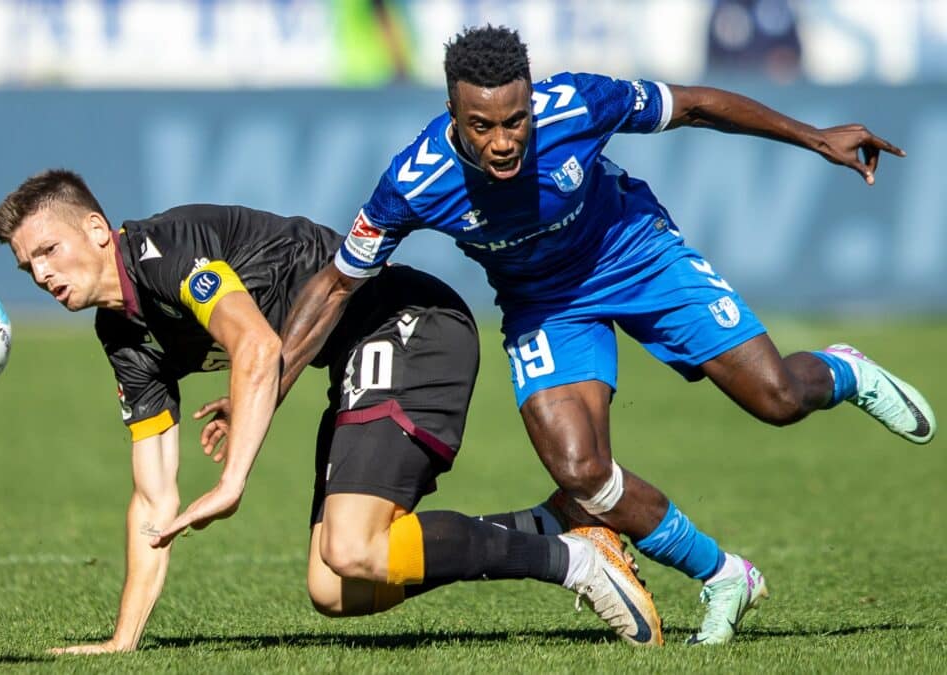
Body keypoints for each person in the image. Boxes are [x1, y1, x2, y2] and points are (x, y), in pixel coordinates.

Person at [274, 25, 937, 646]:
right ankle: (725, 574)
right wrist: (266, 385)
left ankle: (843, 371)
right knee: (580, 470)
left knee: (779, 398)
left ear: (532, 102)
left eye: (515, 121)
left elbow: (697, 105)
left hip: (637, 256)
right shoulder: (414, 182)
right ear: (454, 115)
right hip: (543, 303)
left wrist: (814, 136)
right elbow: (335, 282)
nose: (503, 142)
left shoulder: (577, 104)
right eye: (482, 127)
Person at [0, 169, 663, 654]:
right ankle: (554, 524)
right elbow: (150, 498)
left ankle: (577, 565)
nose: (41, 273)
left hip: (409, 323)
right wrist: (123, 639)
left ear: (99, 230)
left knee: (351, 545)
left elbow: (254, 344)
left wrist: (231, 482)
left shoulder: (165, 250)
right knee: (337, 587)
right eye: (27, 266)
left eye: (48, 250)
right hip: (353, 362)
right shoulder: (123, 335)